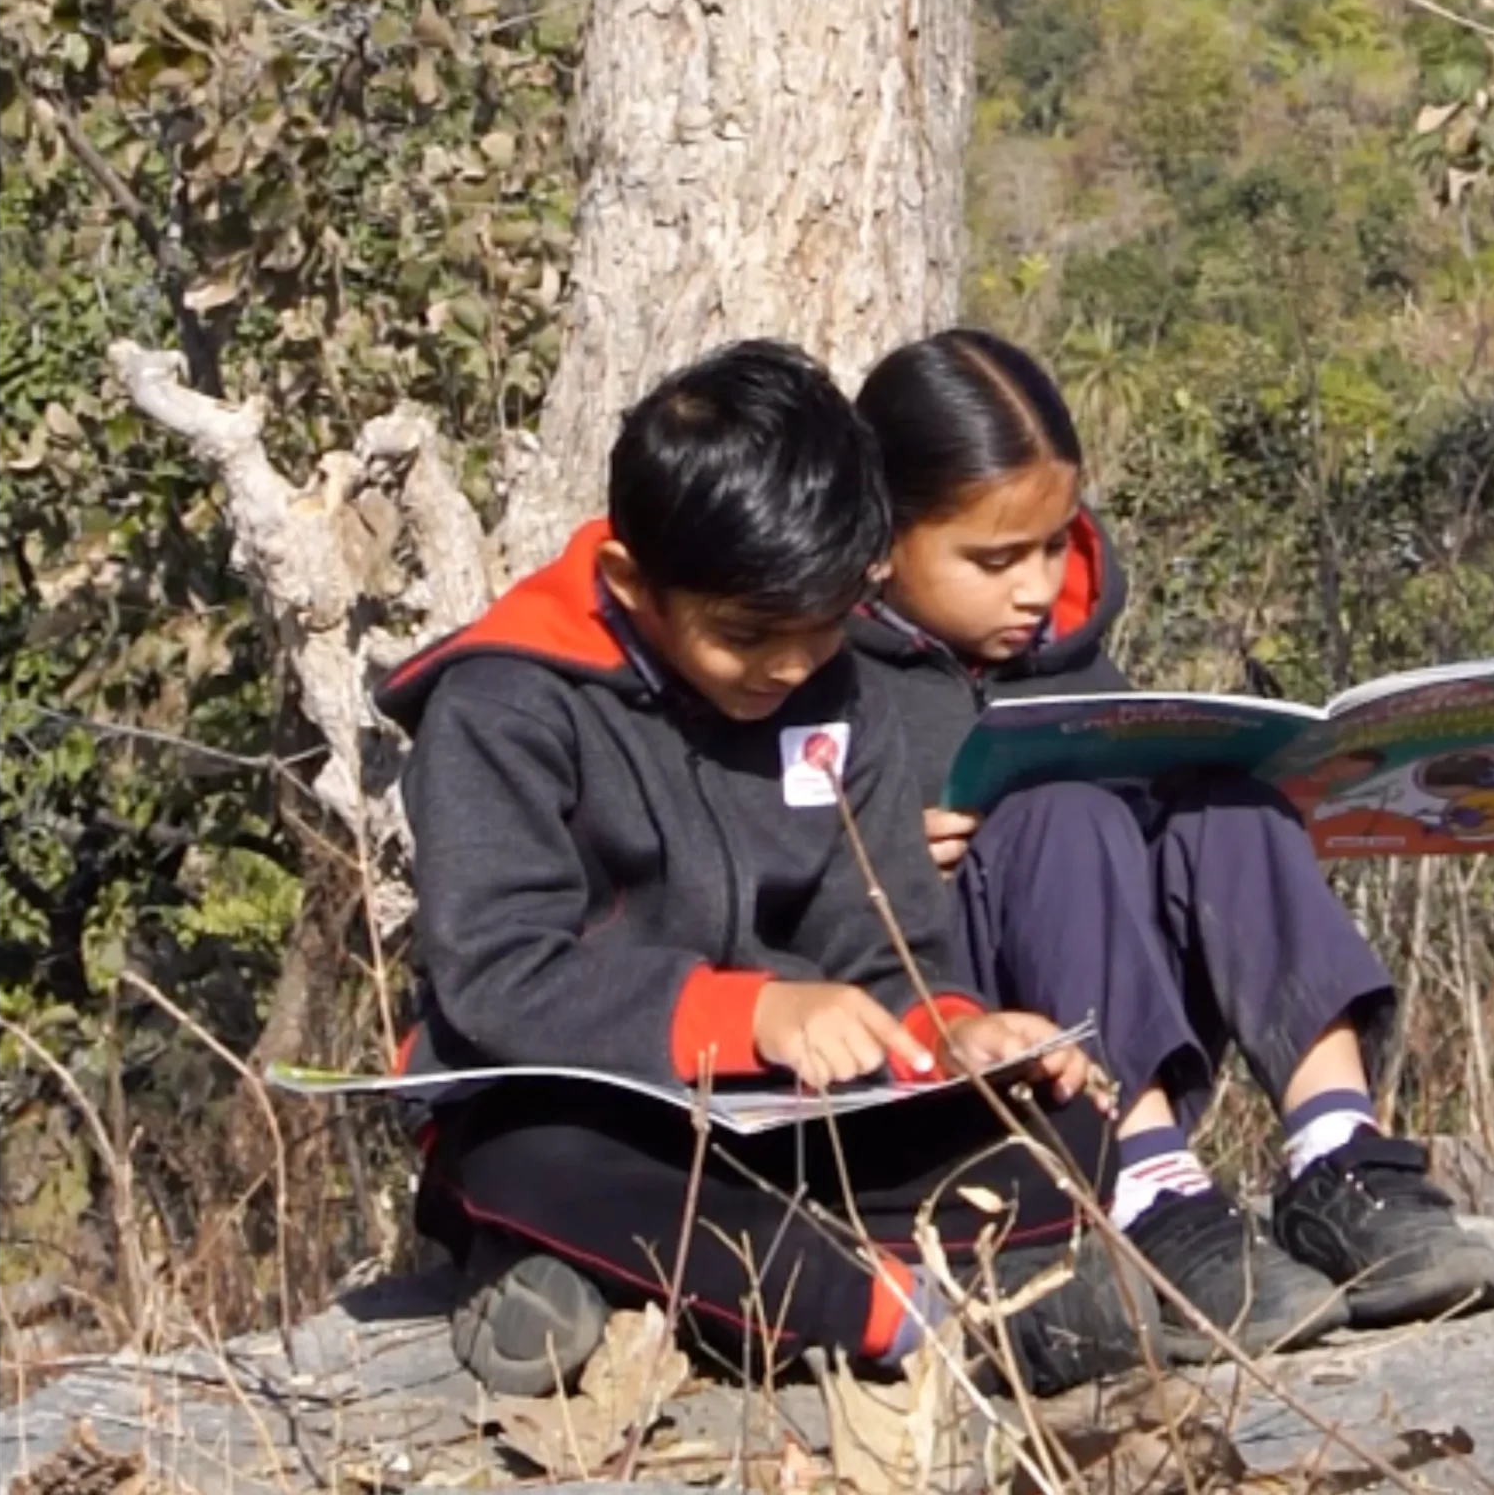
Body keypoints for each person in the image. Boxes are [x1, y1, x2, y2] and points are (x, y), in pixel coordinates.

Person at [376, 339, 1152, 1399]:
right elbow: (496, 974)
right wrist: (746, 1015)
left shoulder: (838, 694)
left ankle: (657, 1289)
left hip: (789, 1126)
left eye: (824, 627)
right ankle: (904, 1316)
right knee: (530, 1164)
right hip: (586, 1111)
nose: (788, 666)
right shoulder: (503, 705)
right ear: (628, 581)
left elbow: (882, 947)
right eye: (746, 635)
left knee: (1067, 1129)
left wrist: (947, 1031)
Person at [852, 328, 1494, 1355]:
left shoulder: (1070, 654)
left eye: (1055, 543)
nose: (1034, 586)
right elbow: (763, 884)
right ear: (881, 541)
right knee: (1058, 814)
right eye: (993, 559)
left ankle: (1334, 1147)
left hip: (1109, 1002)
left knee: (1227, 802)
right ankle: (1144, 1187)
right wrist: (874, 856)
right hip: (966, 1040)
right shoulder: (814, 678)